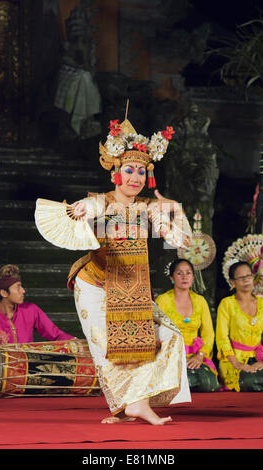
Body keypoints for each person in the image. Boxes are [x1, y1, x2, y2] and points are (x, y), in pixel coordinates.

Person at [35, 118, 193, 425]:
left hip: (131, 290)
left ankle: (136, 402)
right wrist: (82, 208)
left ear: (148, 176)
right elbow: (89, 208)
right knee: (108, 348)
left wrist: (175, 210)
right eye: (129, 170)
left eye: (141, 171)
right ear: (115, 173)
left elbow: (180, 242)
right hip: (95, 285)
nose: (135, 177)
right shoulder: (100, 202)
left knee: (169, 336)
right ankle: (130, 406)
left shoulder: (149, 207)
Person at [0, 264, 75, 393]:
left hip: (29, 372)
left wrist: (76, 341)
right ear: (3, 293)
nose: (23, 291)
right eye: (18, 287)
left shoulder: (31, 310)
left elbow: (54, 334)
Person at [156, 258, 220, 392]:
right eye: (179, 273)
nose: (184, 277)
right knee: (181, 383)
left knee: (209, 383)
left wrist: (200, 355)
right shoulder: (163, 300)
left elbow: (208, 334)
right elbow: (157, 331)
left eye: (188, 273)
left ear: (193, 277)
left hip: (195, 356)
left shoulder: (200, 301)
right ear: (171, 278)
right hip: (170, 356)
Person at [216, 261, 263, 392]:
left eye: (249, 276)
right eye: (241, 278)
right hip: (233, 360)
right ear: (232, 282)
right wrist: (237, 364)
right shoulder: (226, 304)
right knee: (248, 382)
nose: (246, 280)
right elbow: (222, 338)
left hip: (258, 358)